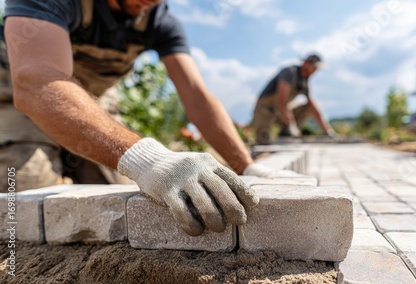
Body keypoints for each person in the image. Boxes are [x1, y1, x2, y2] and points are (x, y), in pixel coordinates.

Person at [0, 0, 286, 236]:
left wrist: (245, 166)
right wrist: (146, 159)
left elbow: (197, 99)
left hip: (90, 100)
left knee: (123, 198)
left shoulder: (160, 22)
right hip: (17, 93)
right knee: (25, 198)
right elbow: (36, 83)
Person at [252, 54, 335, 145]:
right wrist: (291, 124)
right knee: (263, 141)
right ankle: (290, 130)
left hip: (282, 112)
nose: (315, 71)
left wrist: (327, 131)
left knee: (307, 108)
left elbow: (312, 106)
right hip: (265, 110)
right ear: (307, 63)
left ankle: (286, 134)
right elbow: (281, 99)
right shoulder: (290, 72)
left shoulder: (304, 82)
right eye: (314, 67)